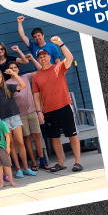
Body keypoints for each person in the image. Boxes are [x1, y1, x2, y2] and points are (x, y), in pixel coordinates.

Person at [32, 36, 83, 172]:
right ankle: (61, 163)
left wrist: (61, 43)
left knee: (72, 134)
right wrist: (39, 112)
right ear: (38, 59)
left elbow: (70, 58)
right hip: (48, 111)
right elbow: (36, 97)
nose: (43, 58)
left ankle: (77, 162)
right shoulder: (36, 76)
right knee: (54, 138)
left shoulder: (59, 67)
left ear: (49, 56)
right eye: (40, 57)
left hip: (64, 107)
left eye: (45, 56)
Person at [0, 69, 36, 179]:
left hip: (14, 116)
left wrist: (14, 74)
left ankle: (26, 167)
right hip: (3, 120)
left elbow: (23, 85)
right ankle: (18, 169)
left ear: (2, 78)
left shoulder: (8, 87)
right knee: (11, 144)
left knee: (20, 142)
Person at [7, 60, 49, 171]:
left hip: (32, 111)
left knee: (37, 136)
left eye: (15, 67)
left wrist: (31, 59)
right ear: (8, 71)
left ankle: (42, 160)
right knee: (27, 138)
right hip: (20, 115)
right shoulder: (7, 84)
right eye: (11, 68)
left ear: (18, 69)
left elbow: (41, 70)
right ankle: (33, 162)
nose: (13, 69)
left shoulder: (26, 77)